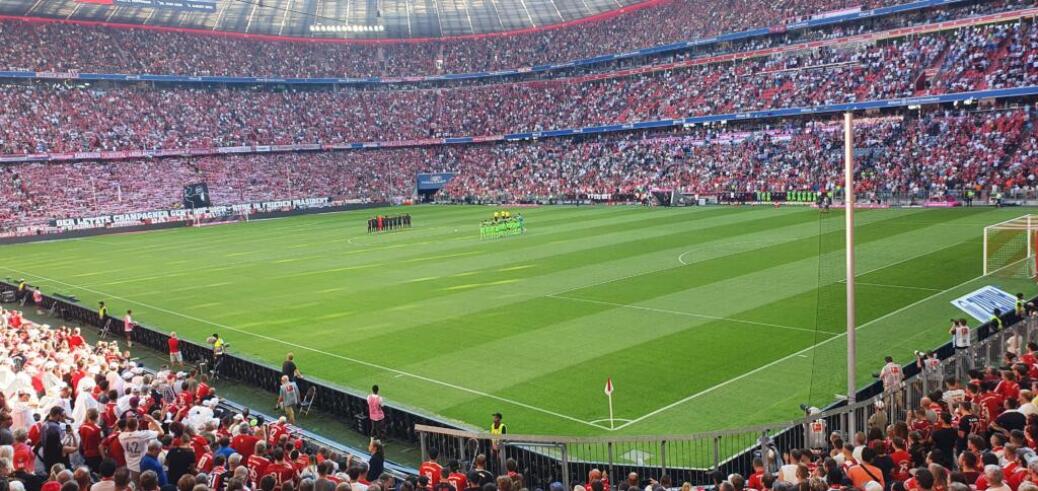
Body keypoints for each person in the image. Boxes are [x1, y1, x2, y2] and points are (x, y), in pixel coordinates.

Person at [118, 415, 164, 481]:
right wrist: (152, 420)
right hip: (143, 465)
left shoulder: (121, 436)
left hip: (130, 466)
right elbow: (162, 433)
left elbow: (128, 431)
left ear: (127, 426)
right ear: (137, 424)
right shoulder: (143, 434)